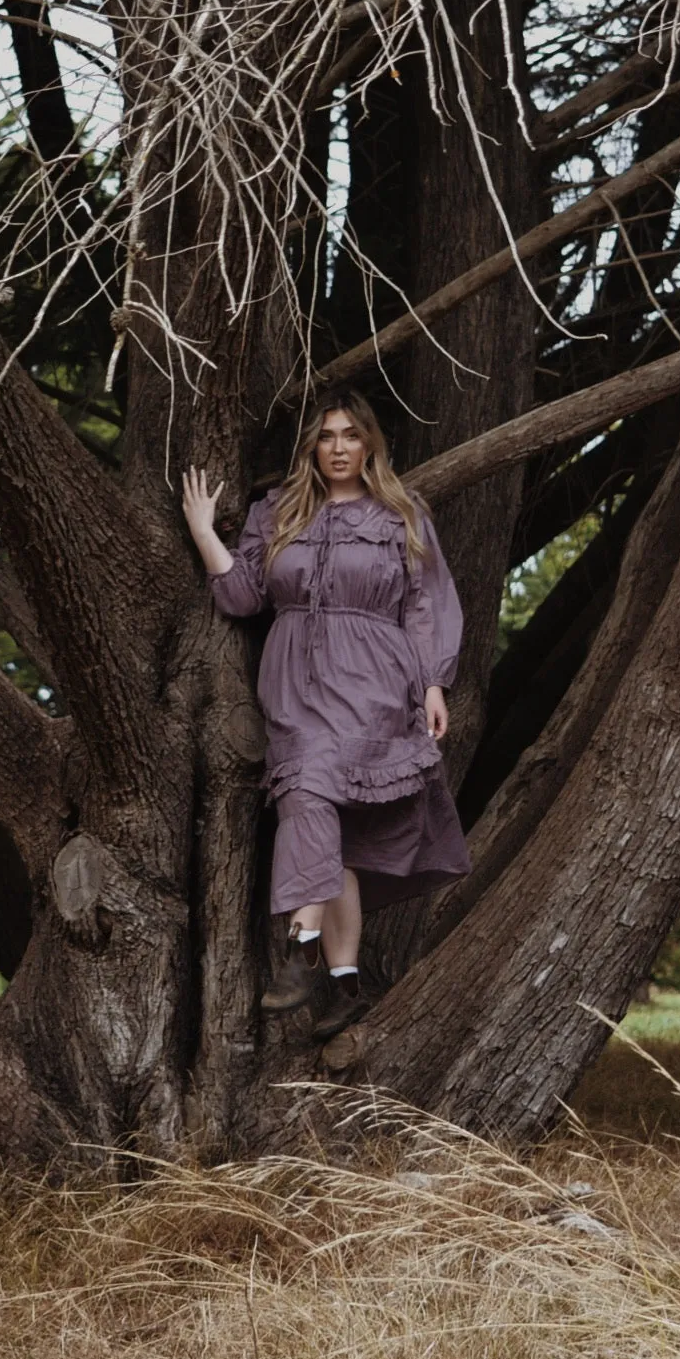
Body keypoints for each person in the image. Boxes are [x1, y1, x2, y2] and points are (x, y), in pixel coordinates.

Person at [181, 387, 471, 1039]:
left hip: (374, 676)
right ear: (311, 447)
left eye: (349, 435)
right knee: (312, 803)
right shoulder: (275, 510)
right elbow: (241, 597)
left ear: (368, 444)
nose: (338, 447)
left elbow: (425, 603)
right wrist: (203, 532)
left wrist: (432, 685)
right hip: (294, 677)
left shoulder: (401, 513)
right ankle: (341, 981)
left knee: (321, 807)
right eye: (326, 436)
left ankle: (301, 948)